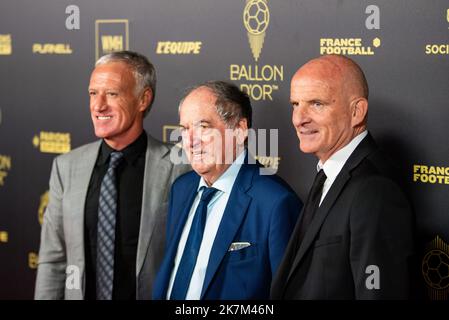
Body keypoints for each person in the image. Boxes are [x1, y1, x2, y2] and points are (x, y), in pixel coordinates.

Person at [35, 51, 190, 300]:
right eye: (93, 93)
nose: (98, 106)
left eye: (112, 94)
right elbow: (53, 260)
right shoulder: (66, 168)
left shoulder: (180, 167)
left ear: (143, 99)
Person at [271, 55, 414, 299]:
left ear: (356, 111)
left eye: (316, 103)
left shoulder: (374, 190)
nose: (298, 119)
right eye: (295, 104)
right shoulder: (328, 174)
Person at [152, 81, 302, 300]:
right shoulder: (181, 189)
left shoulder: (275, 202)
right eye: (185, 129)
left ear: (239, 130)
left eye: (203, 127)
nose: (191, 141)